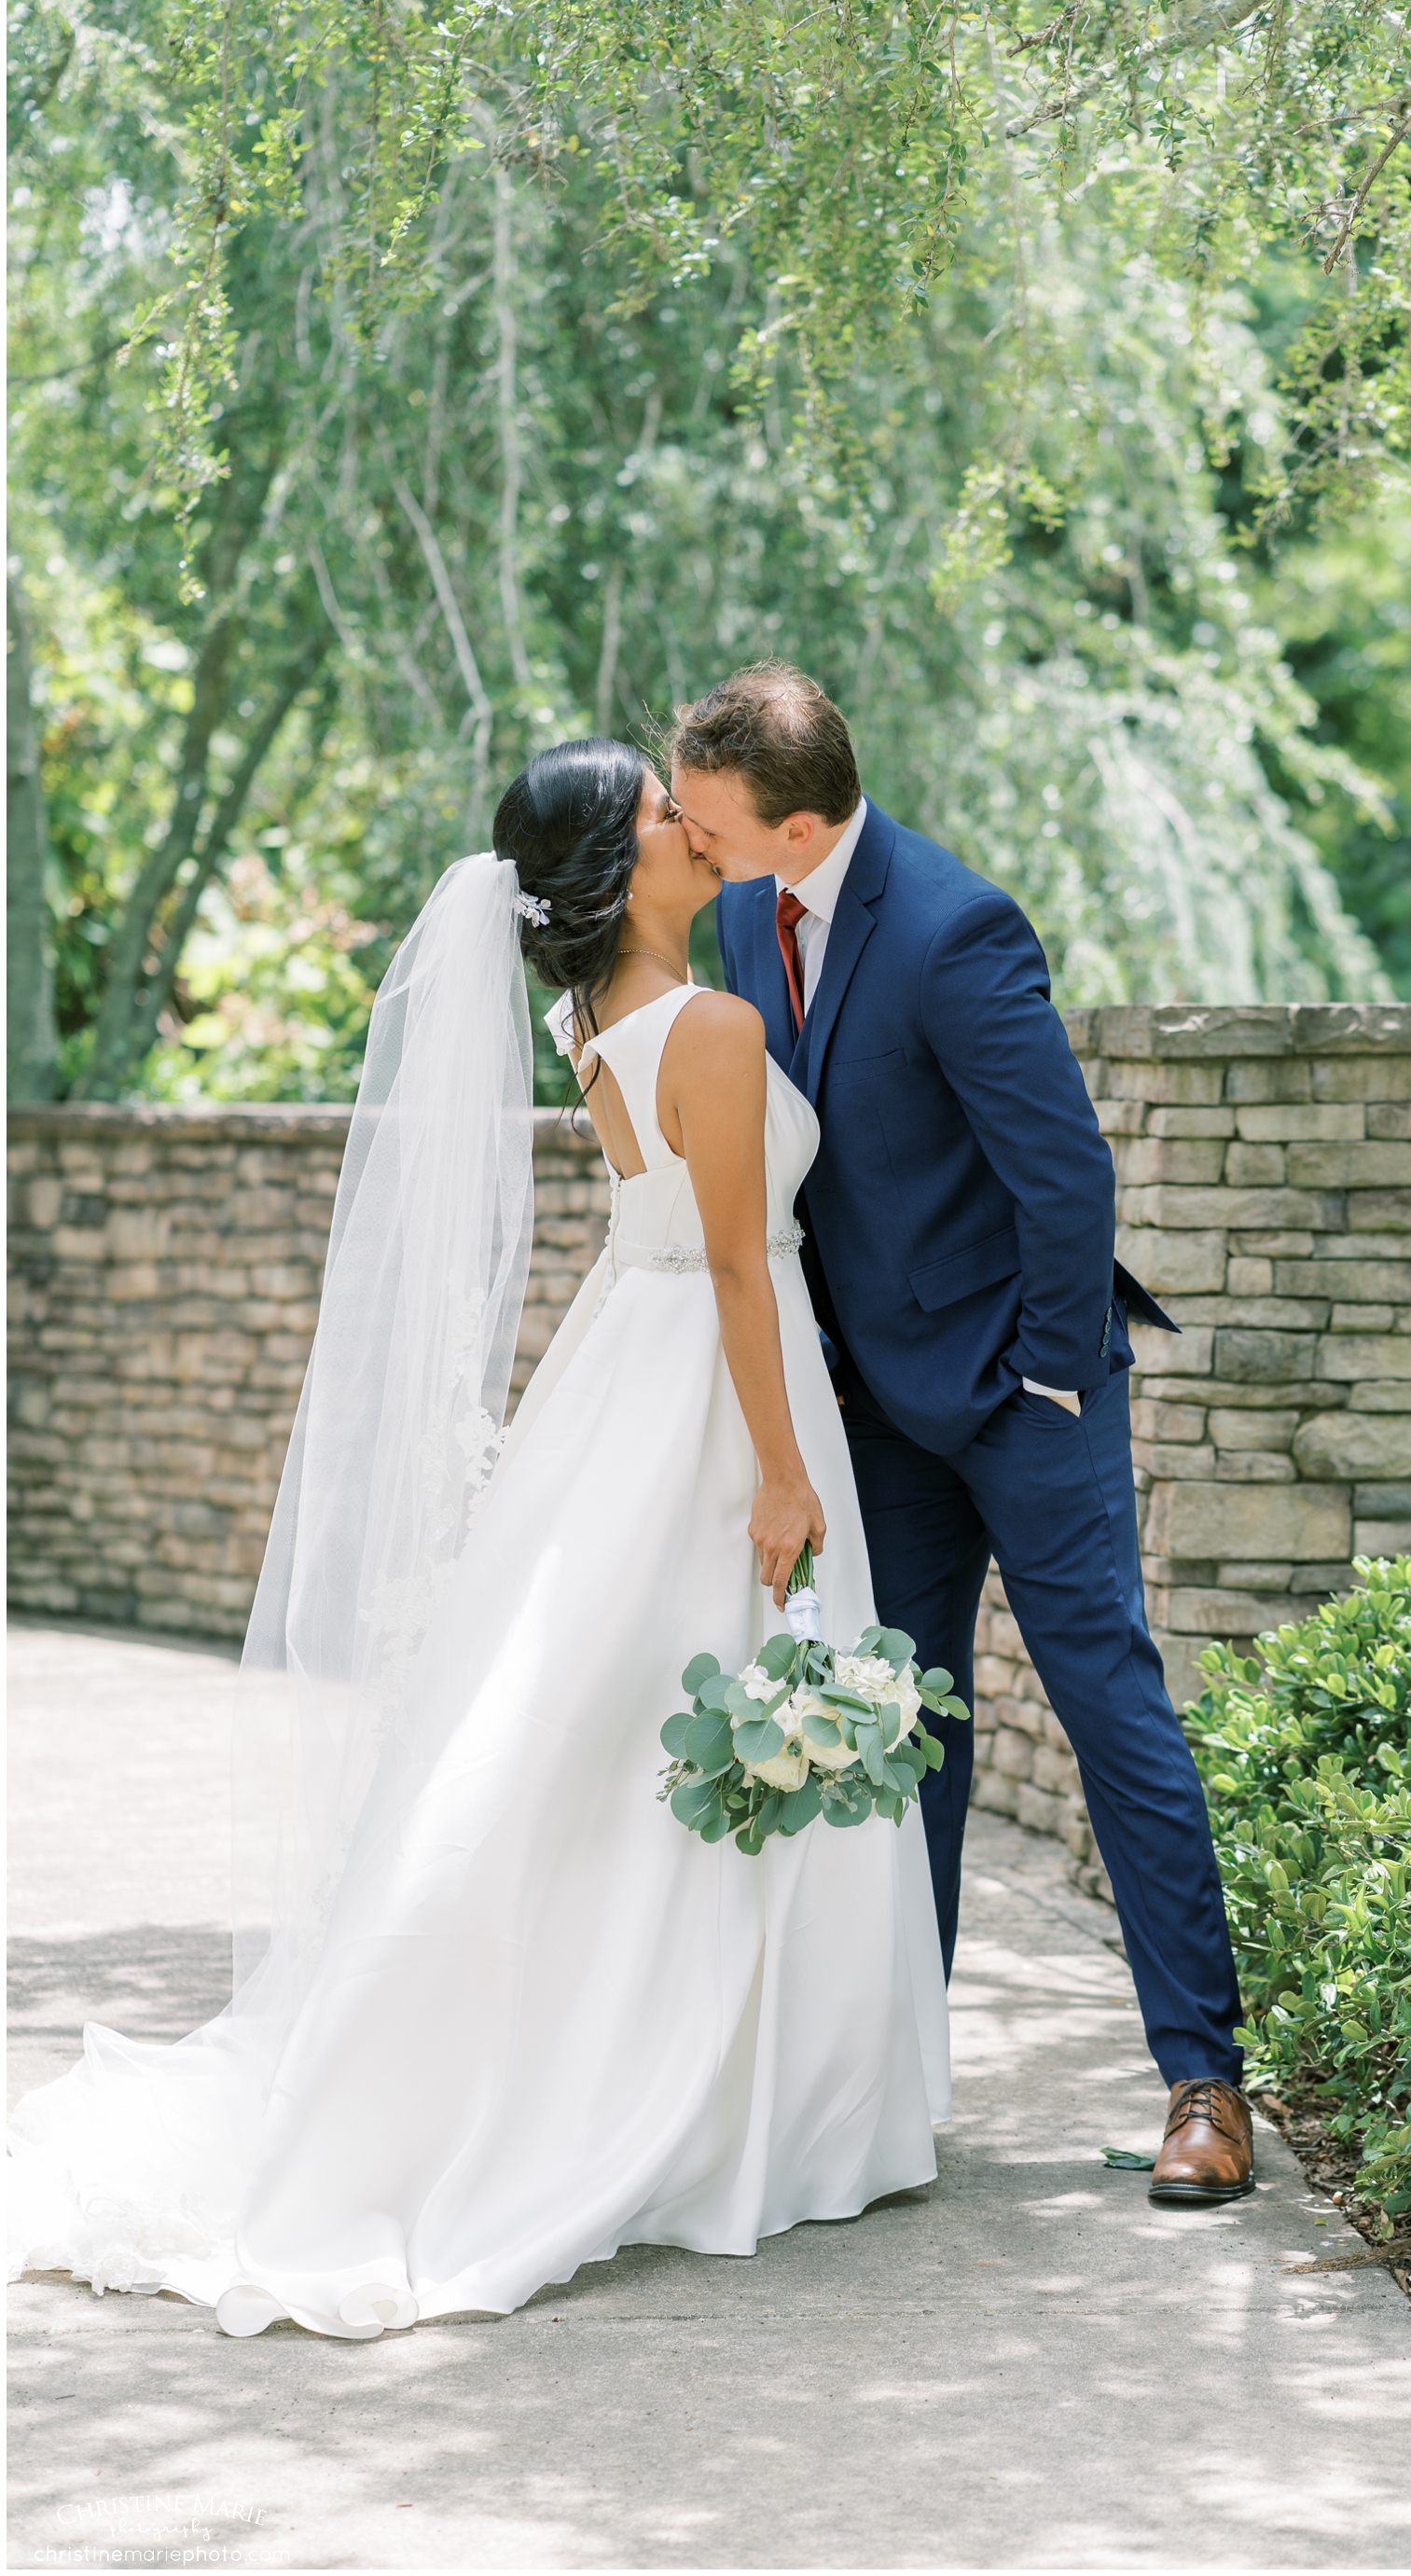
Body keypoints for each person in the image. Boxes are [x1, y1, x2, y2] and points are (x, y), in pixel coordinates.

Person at [7, 740, 949, 2339]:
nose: (691, 820)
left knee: (606, 1722)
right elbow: (737, 1270)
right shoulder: (707, 1025)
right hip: (718, 1390)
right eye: (667, 813)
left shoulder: (590, 1019)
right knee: (684, 1697)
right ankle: (702, 2096)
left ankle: (691, 2068)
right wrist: (783, 1472)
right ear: (615, 867)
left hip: (629, 1374)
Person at [675, 663, 1255, 2207]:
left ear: (799, 825)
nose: (691, 837)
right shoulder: (742, 917)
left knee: (1111, 1708)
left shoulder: (954, 928)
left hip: (1021, 1398)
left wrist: (1054, 1379)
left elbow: (1065, 1177)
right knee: (901, 1735)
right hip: (877, 1408)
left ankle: (1206, 2081)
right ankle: (888, 2081)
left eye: (714, 821)